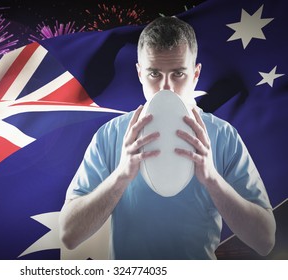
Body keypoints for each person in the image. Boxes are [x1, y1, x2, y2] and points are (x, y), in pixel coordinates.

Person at [59, 17, 276, 259]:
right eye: (154, 74)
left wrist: (212, 179)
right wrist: (121, 175)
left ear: (195, 74)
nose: (166, 88)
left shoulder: (223, 135)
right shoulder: (111, 134)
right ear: (140, 73)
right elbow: (69, 234)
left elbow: (265, 241)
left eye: (178, 74)